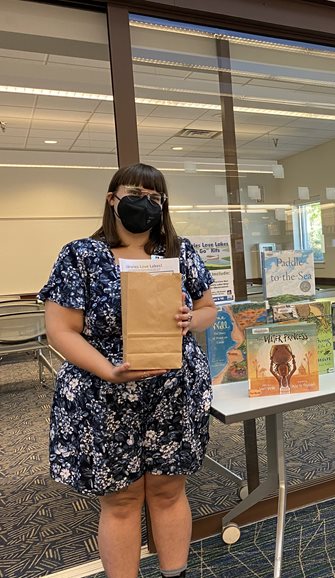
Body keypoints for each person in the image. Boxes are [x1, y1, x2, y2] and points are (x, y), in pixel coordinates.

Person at [39, 163, 217, 578]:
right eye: (136, 193)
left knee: (169, 489)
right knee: (120, 499)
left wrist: (191, 320)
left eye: (155, 198)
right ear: (112, 198)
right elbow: (60, 330)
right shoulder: (80, 256)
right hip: (103, 393)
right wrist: (107, 369)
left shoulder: (179, 252)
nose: (146, 203)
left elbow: (209, 309)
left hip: (173, 392)